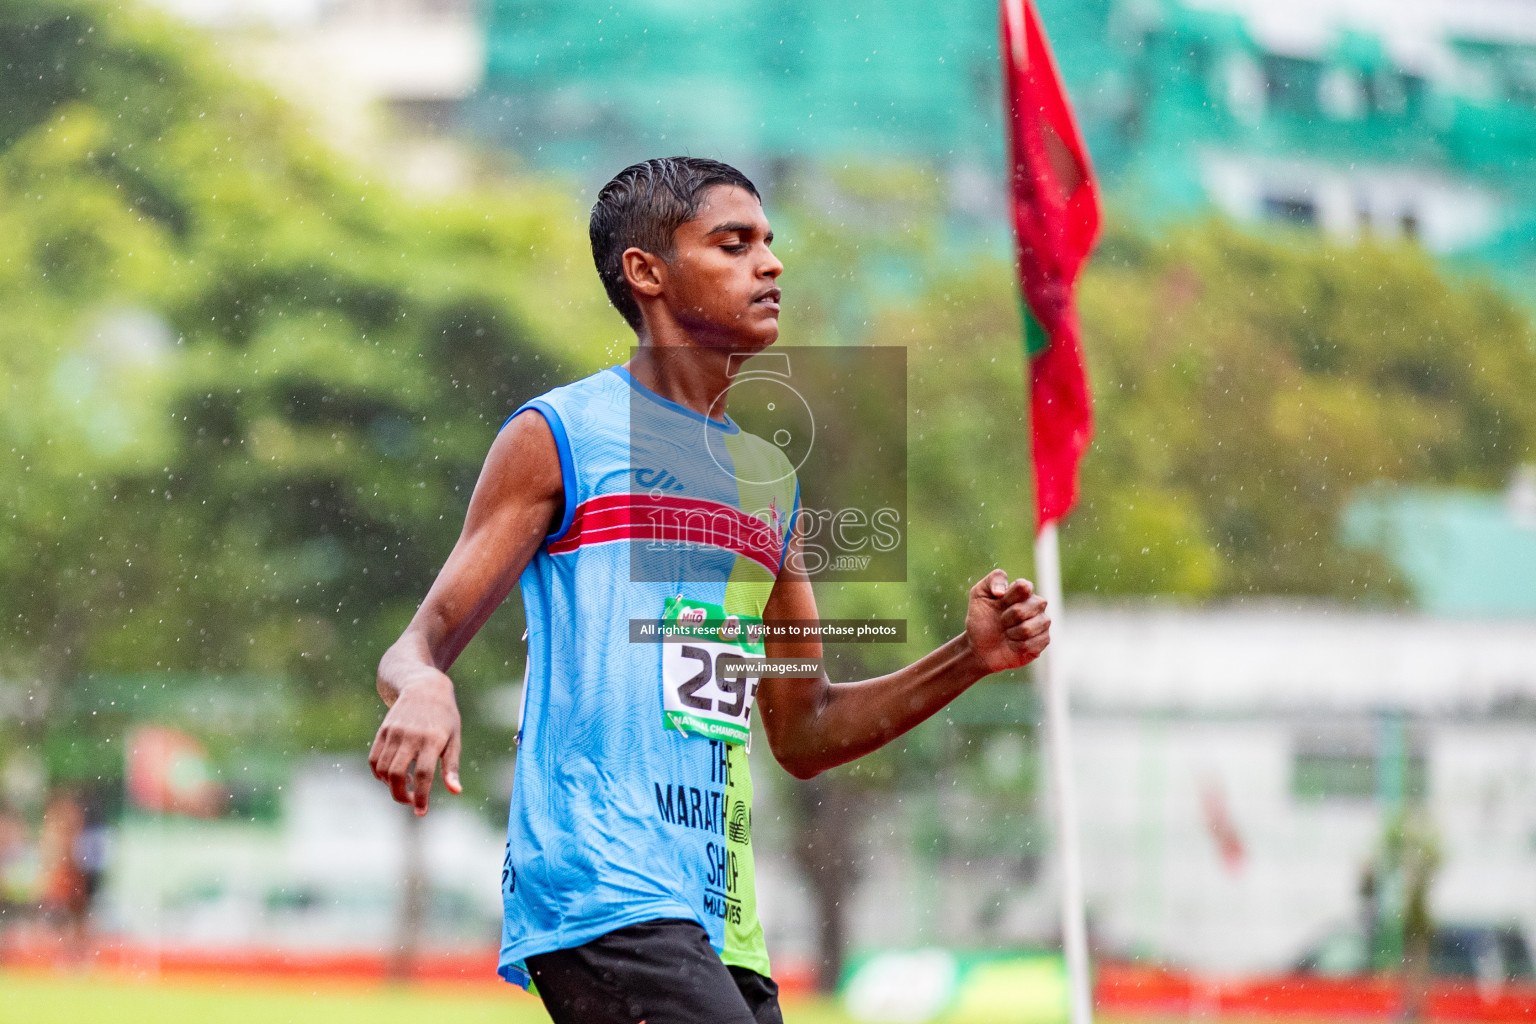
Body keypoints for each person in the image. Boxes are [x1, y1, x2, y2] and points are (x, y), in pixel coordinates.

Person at [369, 156, 1051, 1024]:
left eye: (769, 244)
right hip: (602, 886)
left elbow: (804, 729)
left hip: (720, 918)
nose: (770, 265)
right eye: (734, 244)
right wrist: (426, 685)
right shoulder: (561, 434)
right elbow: (415, 644)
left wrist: (969, 658)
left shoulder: (768, 480)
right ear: (646, 273)